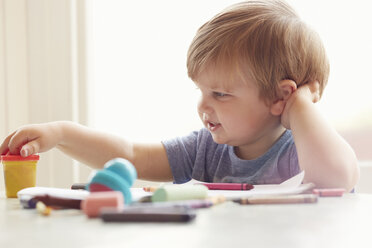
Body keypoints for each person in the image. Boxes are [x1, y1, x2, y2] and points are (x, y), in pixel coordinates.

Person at [0, 0, 359, 191]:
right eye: (201, 91)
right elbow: (130, 155)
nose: (204, 105)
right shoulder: (204, 149)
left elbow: (337, 178)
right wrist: (62, 133)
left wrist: (300, 104)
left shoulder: (301, 151)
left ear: (280, 98)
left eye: (220, 93)